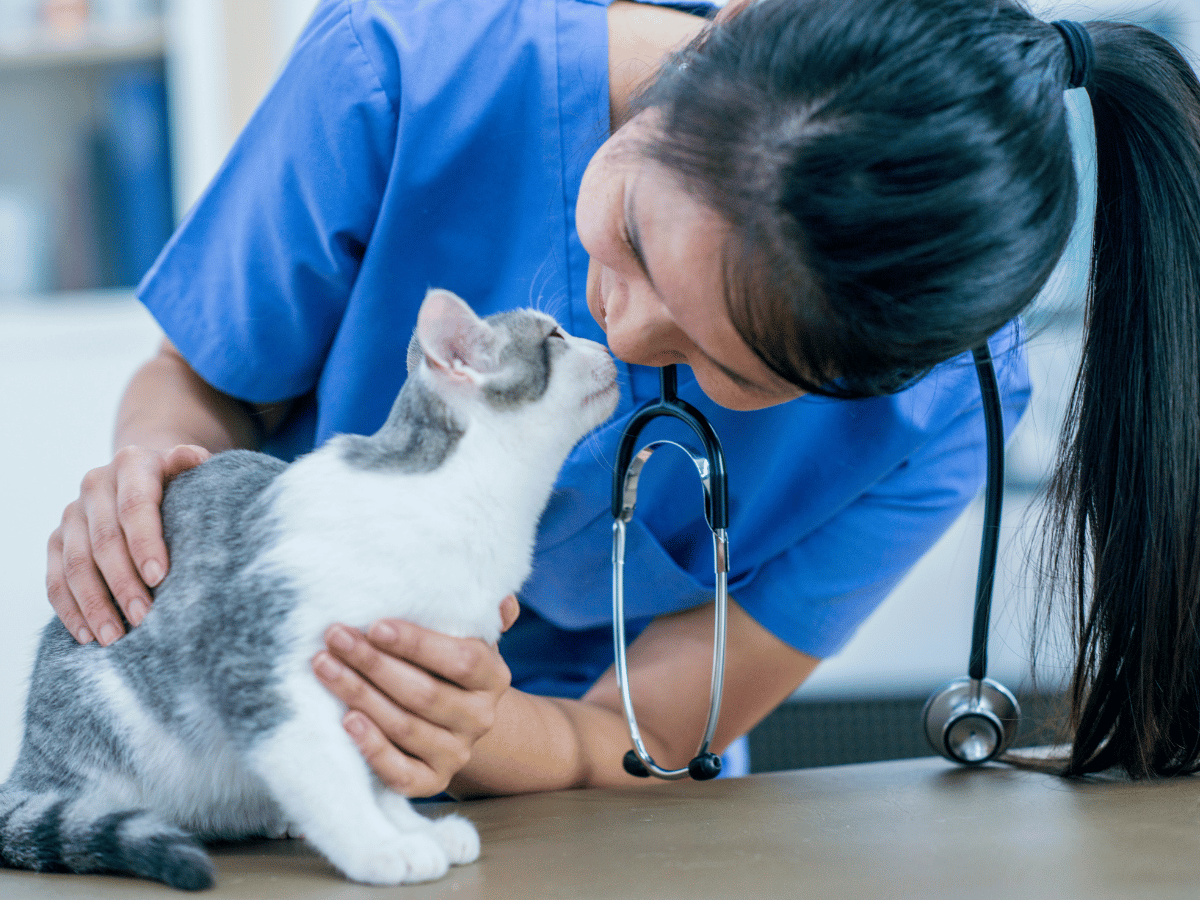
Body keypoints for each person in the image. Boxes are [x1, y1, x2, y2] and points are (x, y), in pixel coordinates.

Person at [42, 0, 1200, 793]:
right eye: (633, 232)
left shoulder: (941, 415)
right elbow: (199, 382)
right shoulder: (400, 69)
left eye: (731, 371)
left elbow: (634, 739)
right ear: (733, 23)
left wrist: (475, 728)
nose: (622, 328)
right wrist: (156, 468)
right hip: (260, 726)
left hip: (605, 812)